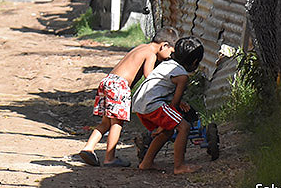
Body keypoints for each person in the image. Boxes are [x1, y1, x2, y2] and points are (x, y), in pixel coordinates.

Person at [79, 28, 178, 167]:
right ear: (164, 45)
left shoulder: (141, 47)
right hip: (120, 86)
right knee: (117, 123)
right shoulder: (151, 54)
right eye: (170, 52)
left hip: (108, 81)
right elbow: (149, 77)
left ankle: (88, 148)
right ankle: (110, 158)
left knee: (106, 122)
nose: (168, 57)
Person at [132, 36, 204, 174]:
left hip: (140, 103)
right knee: (184, 127)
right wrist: (162, 124)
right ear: (194, 62)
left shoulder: (167, 64)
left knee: (168, 130)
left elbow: (161, 87)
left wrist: (165, 125)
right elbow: (174, 105)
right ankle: (179, 166)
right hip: (152, 104)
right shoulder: (182, 76)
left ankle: (146, 163)